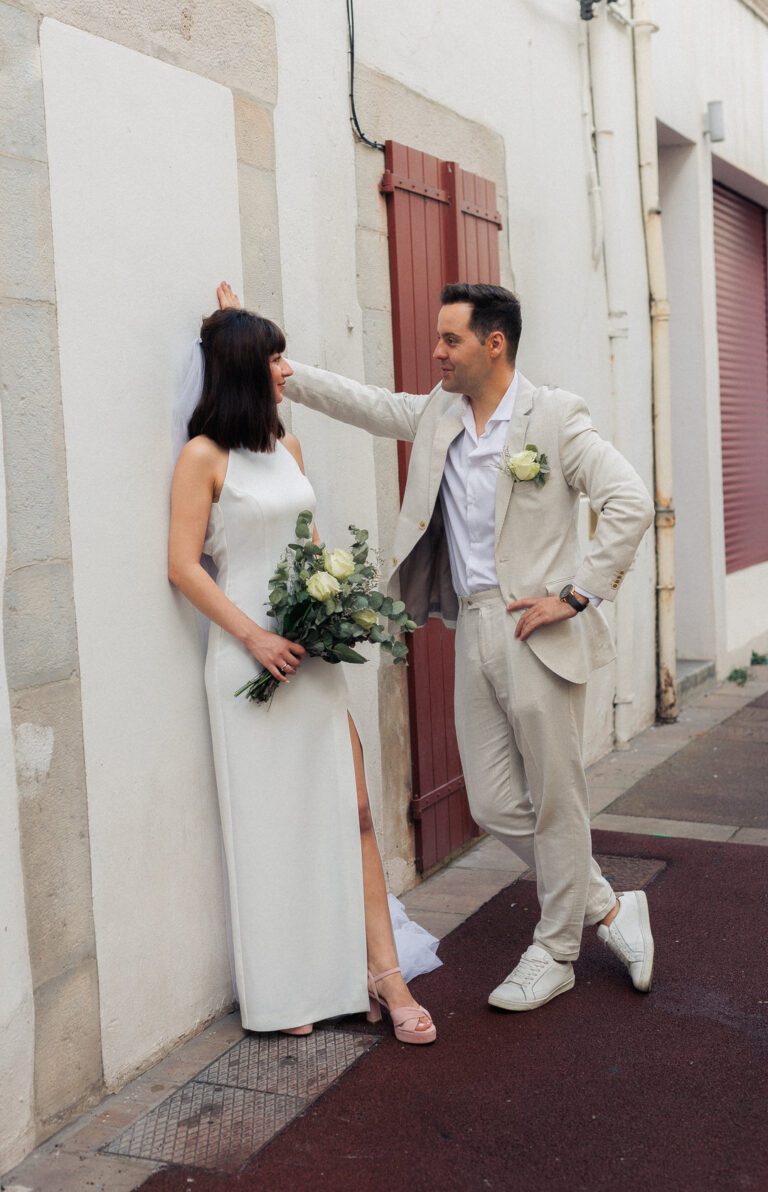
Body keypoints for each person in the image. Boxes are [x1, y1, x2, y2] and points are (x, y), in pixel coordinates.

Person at [215, 279, 656, 1012]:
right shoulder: (440, 413)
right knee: (490, 801)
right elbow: (369, 405)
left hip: (538, 628)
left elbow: (628, 501)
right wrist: (285, 372)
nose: (436, 351)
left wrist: (576, 594)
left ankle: (555, 951)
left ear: (494, 343)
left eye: (449, 339)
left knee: (556, 799)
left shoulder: (555, 416)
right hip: (472, 622)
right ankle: (607, 906)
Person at [168, 305, 436, 1042]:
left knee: (350, 813)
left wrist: (339, 609)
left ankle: (384, 973)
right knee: (270, 827)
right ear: (244, 369)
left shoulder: (289, 445)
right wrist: (254, 637)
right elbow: (183, 566)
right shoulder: (203, 457)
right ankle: (288, 993)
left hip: (311, 656)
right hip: (248, 663)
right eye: (277, 359)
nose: (288, 370)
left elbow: (310, 546)